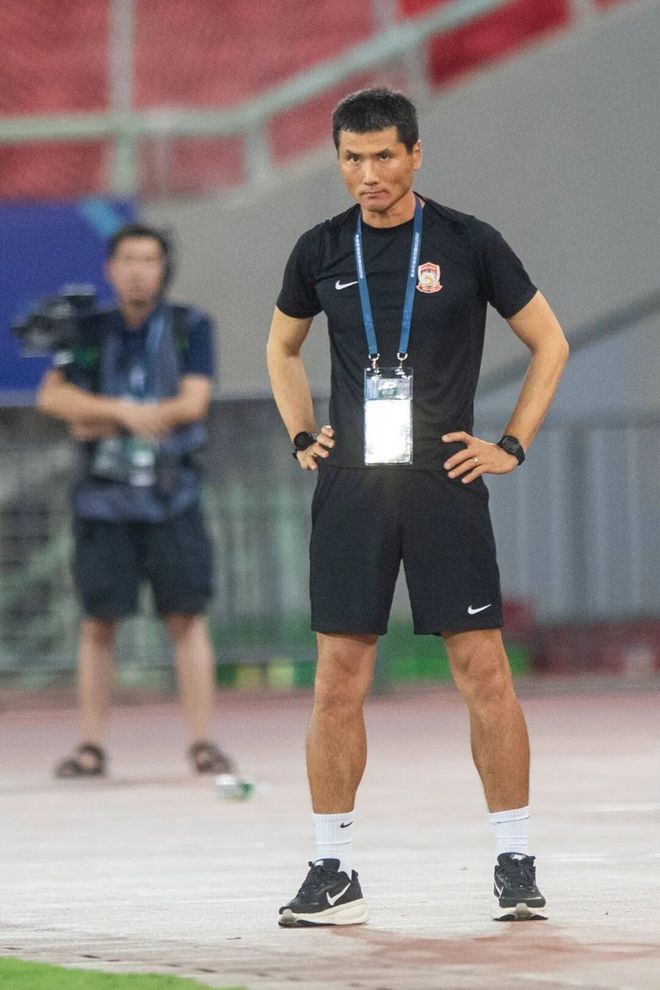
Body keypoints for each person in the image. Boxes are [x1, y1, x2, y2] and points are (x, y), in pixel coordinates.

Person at [267, 87, 569, 926]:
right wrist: (302, 434)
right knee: (337, 678)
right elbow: (281, 346)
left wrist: (511, 444)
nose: (367, 174)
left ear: (415, 154)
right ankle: (334, 870)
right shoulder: (319, 248)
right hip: (354, 486)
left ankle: (515, 859)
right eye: (352, 158)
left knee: (484, 671)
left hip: (445, 482)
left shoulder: (470, 242)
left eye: (383, 156)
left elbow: (549, 341)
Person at [37, 223, 234, 779]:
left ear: (163, 268)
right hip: (102, 500)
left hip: (174, 495)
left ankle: (202, 743)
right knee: (98, 621)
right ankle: (91, 746)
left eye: (149, 260)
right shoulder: (88, 329)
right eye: (127, 260)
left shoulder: (189, 326)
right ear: (110, 268)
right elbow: (54, 398)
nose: (138, 271)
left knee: (186, 616)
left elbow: (193, 403)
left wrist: (98, 418)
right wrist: (126, 412)